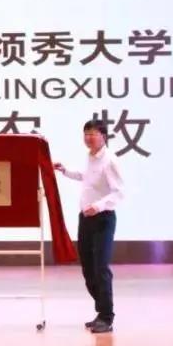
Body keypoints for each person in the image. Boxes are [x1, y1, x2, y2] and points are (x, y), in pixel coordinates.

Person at [54, 120, 124, 333]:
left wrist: (98, 206)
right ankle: (100, 311)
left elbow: (119, 192)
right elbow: (86, 177)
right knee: (88, 268)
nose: (88, 138)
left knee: (101, 268)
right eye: (86, 133)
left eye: (93, 133)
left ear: (103, 136)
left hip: (103, 219)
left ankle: (107, 317)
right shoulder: (90, 157)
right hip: (85, 218)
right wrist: (65, 171)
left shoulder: (110, 160)